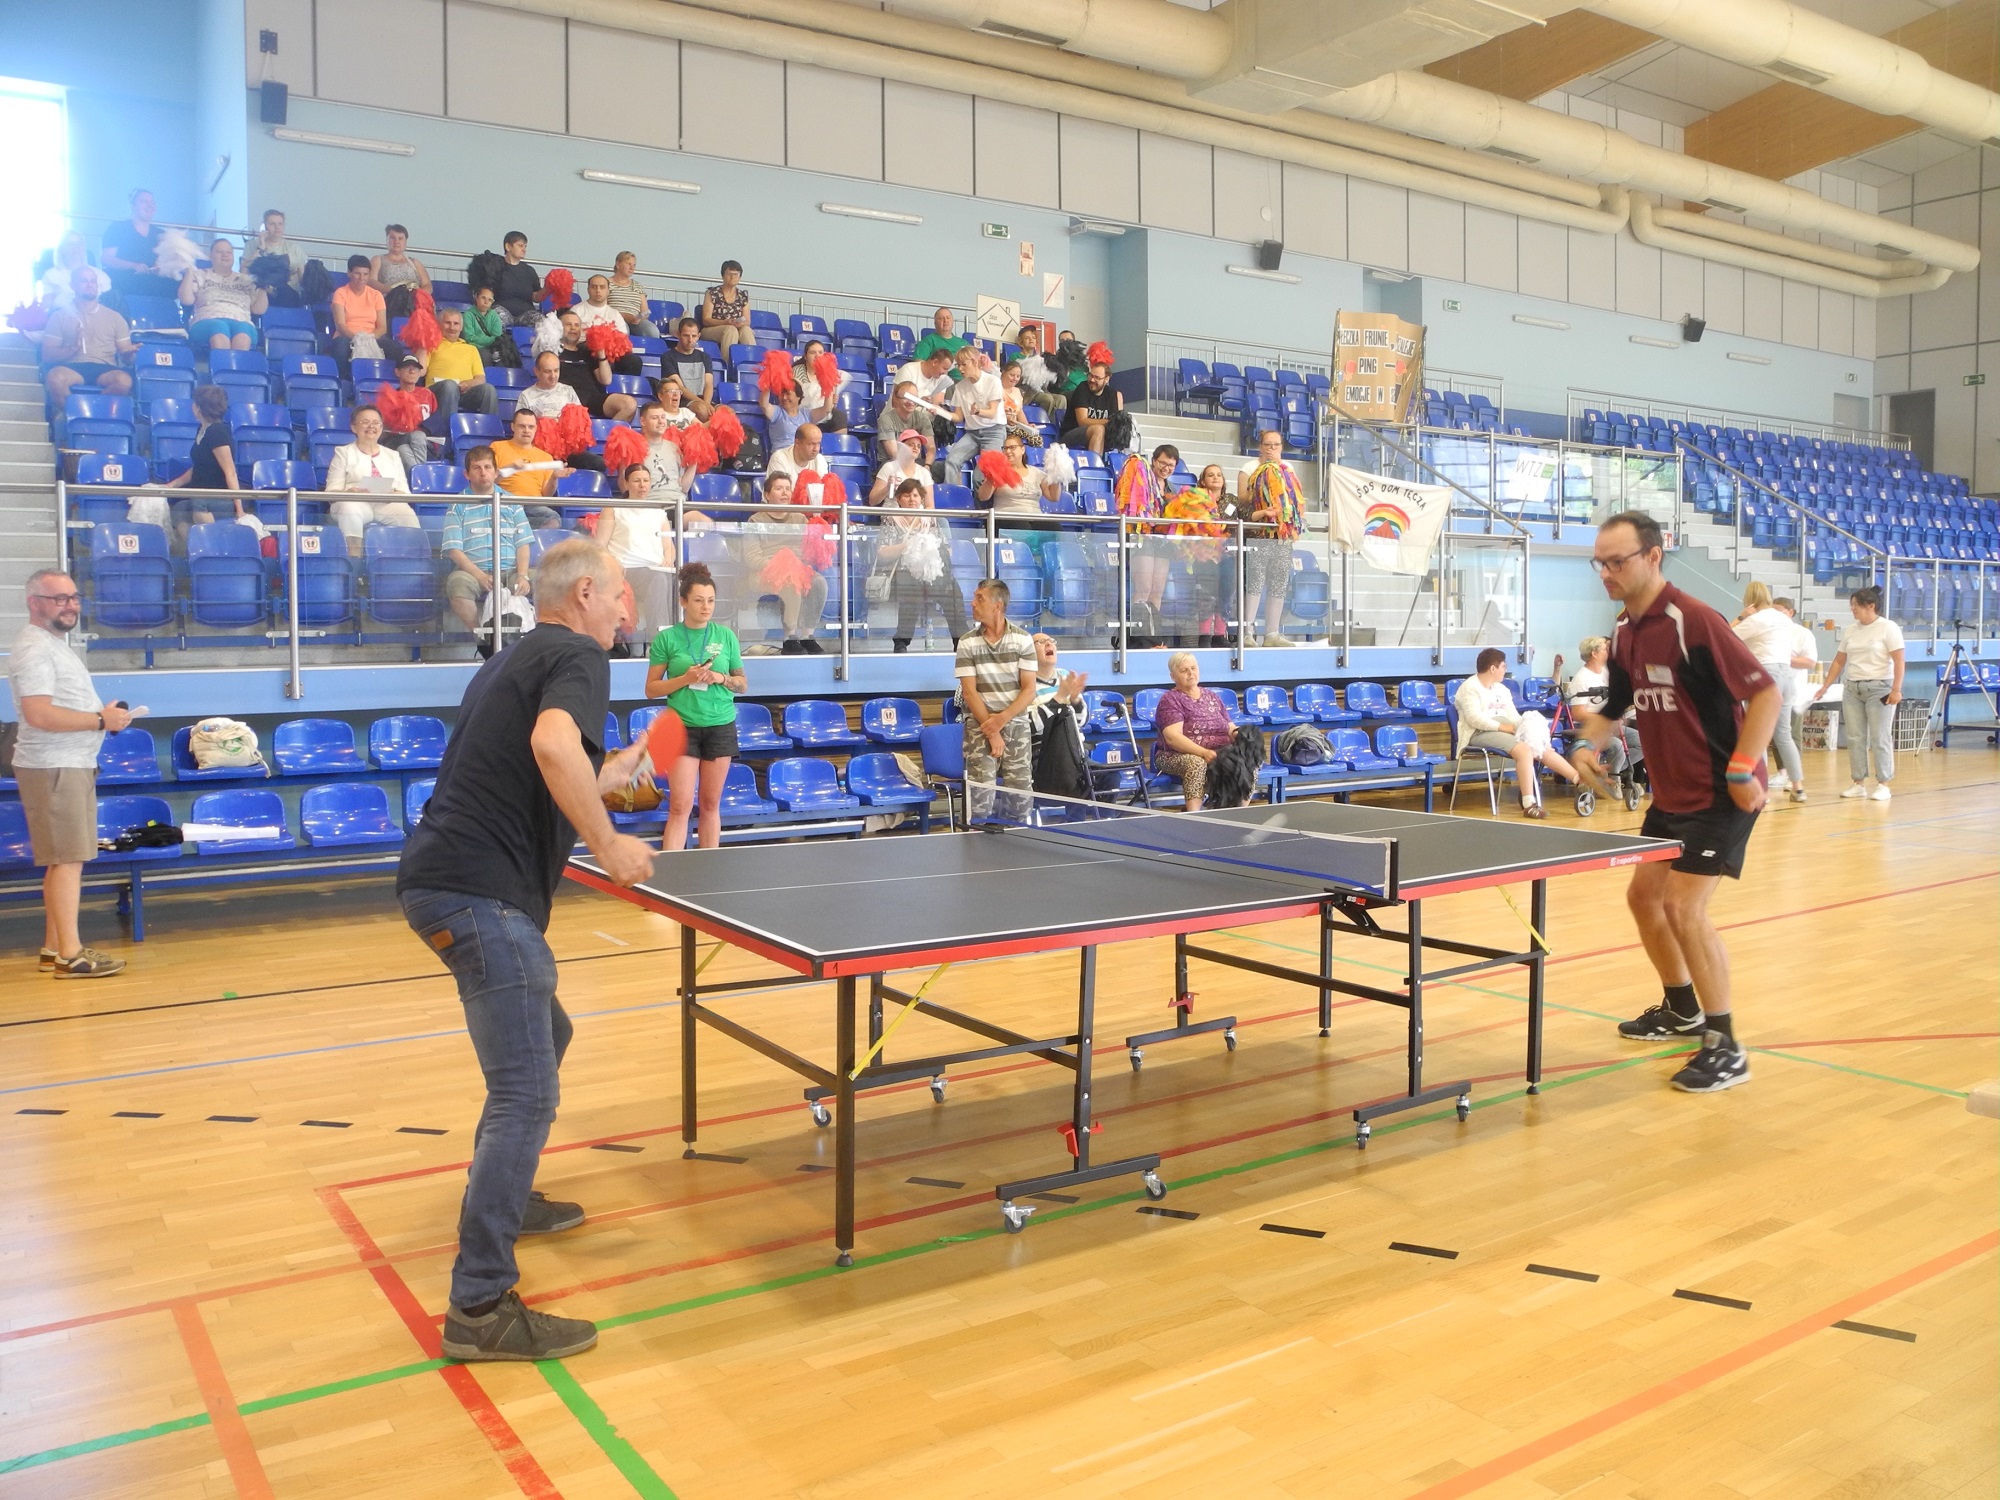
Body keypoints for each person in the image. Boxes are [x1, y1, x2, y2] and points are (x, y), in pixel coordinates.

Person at [398, 537, 656, 1361]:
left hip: (443, 879)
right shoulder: (580, 656)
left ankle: (506, 1194)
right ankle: (479, 1307)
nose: (627, 610)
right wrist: (608, 843)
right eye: (620, 594)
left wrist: (608, 774)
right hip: (480, 893)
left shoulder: (514, 659)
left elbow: (540, 763)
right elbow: (551, 747)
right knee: (526, 1093)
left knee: (549, 1036)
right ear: (584, 595)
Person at [1571, 510, 1781, 1094]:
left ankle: (1726, 1046)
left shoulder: (1695, 621)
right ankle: (1681, 1008)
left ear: (1653, 556)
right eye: (1600, 563)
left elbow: (1766, 694)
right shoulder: (1624, 631)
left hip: (1721, 791)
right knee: (1644, 899)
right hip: (1671, 794)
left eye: (1618, 561)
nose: (1607, 573)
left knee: (1684, 909)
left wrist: (1742, 766)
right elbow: (1615, 703)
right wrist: (1587, 746)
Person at [8, 571, 135, 979]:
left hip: (69, 763)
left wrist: (103, 716)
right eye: (59, 598)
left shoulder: (52, 646)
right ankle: (70, 955)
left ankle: (53, 949)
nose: (70, 606)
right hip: (54, 766)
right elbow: (39, 714)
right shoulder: (35, 650)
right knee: (67, 860)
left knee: (63, 861)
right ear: (34, 603)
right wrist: (100, 720)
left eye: (74, 598)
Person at [645, 561, 747, 850]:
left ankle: (708, 866)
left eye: (711, 601)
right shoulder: (667, 638)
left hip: (720, 724)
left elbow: (742, 684)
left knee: (711, 804)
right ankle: (671, 870)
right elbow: (651, 689)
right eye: (699, 601)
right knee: (680, 806)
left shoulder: (726, 636)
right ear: (683, 602)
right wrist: (685, 679)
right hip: (681, 727)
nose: (706, 607)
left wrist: (720, 678)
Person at [1454, 648, 1581, 818]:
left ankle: (1579, 780)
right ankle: (1529, 804)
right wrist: (1504, 727)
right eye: (1503, 666)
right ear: (1493, 668)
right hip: (1478, 733)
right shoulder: (1470, 687)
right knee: (1524, 750)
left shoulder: (1501, 689)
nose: (1505, 670)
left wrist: (1529, 729)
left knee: (1539, 746)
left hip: (1503, 729)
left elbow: (1514, 717)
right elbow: (1474, 719)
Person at [1814, 584, 1905, 802]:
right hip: (1852, 688)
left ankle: (1883, 783)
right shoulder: (1851, 630)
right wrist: (1826, 685)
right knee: (1855, 737)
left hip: (1879, 688)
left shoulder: (1888, 628)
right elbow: (1839, 660)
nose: (1852, 609)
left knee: (1879, 736)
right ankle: (1858, 782)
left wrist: (1896, 689)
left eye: (1856, 605)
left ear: (1870, 606)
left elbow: (1899, 661)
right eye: (1852, 605)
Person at [956, 578, 1037, 821]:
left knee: (1020, 799)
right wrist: (991, 731)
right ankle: (974, 841)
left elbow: (1029, 690)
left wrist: (1001, 720)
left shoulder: (1023, 639)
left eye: (979, 598)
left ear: (997, 605)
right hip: (979, 725)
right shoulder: (967, 642)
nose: (973, 603)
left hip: (1016, 725)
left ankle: (1016, 840)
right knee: (980, 800)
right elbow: (969, 692)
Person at [443, 448, 534, 643]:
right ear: (467, 474)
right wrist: (480, 576)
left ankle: (533, 640)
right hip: (473, 573)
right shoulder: (457, 504)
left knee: (547, 582)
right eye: (476, 468)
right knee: (456, 585)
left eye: (487, 467)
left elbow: (523, 543)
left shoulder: (512, 502)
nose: (483, 473)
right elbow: (454, 550)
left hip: (511, 571)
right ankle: (483, 639)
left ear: (496, 472)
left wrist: (522, 575)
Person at [1733, 582, 1806, 801]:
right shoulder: (1783, 619)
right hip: (1786, 675)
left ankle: (1762, 788)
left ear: (1750, 599)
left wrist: (1741, 616)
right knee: (1783, 734)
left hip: (1765, 674)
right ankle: (1798, 787)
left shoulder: (1755, 620)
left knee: (1756, 733)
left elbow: (1724, 635)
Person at [875, 476, 965, 652]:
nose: (912, 500)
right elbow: (882, 552)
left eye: (916, 495)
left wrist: (927, 550)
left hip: (932, 574)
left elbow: (947, 550)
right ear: (899, 499)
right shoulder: (890, 519)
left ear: (922, 499)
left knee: (954, 592)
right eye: (907, 495)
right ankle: (901, 643)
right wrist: (909, 546)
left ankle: (960, 642)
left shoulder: (931, 519)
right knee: (912, 589)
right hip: (903, 573)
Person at [1232, 429, 1306, 646]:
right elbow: (1242, 499)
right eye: (1268, 445)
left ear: (1281, 447)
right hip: (1258, 533)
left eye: (1276, 445)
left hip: (1281, 534)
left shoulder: (1287, 468)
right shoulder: (1249, 468)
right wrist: (1263, 481)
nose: (1272, 448)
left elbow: (1294, 497)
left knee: (1278, 583)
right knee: (1254, 583)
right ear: (1260, 447)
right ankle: (1247, 632)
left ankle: (1272, 633)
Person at [741, 472, 827, 654]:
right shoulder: (755, 520)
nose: (785, 493)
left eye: (788, 489)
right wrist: (782, 566)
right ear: (767, 494)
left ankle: (807, 636)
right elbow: (752, 558)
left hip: (797, 569)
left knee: (819, 582)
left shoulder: (800, 519)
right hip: (764, 572)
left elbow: (808, 554)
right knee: (790, 581)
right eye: (779, 488)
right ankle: (790, 638)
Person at [601, 462, 680, 640]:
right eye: (637, 481)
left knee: (673, 579)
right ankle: (660, 640)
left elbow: (668, 546)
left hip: (655, 569)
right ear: (626, 483)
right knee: (660, 579)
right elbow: (600, 546)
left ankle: (676, 637)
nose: (642, 485)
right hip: (626, 570)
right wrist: (612, 566)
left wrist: (669, 558)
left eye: (646, 480)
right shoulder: (613, 508)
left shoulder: (658, 512)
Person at [325, 404, 418, 554]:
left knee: (407, 514)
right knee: (350, 510)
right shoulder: (343, 453)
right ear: (354, 428)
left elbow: (404, 492)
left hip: (386, 502)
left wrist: (391, 493)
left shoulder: (393, 455)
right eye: (365, 422)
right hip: (353, 502)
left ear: (381, 427)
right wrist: (350, 493)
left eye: (376, 423)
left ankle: (411, 559)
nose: (371, 426)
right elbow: (331, 492)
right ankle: (354, 558)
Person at [1152, 652, 1237, 812]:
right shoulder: (1170, 700)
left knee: (1244, 760)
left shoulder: (1212, 697)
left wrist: (1241, 735)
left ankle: (1240, 813)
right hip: (1173, 755)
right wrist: (1203, 752)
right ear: (1173, 676)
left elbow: (1230, 727)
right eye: (1184, 670)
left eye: (1193, 668)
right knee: (1196, 763)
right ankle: (1194, 815)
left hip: (1216, 752)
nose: (1191, 673)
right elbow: (1172, 737)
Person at [36, 267, 135, 403]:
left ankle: (91, 409)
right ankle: (70, 412)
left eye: (93, 281)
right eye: (84, 281)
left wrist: (128, 354)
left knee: (124, 381)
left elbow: (127, 357)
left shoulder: (115, 317)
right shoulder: (59, 316)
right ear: (73, 285)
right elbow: (47, 355)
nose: (89, 285)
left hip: (105, 368)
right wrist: (72, 348)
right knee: (55, 378)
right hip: (71, 367)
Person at [1115, 445, 1178, 648]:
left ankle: (1153, 636)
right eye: (1162, 463)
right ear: (1154, 461)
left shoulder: (1173, 489)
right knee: (1143, 589)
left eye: (1171, 465)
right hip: (1142, 539)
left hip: (1163, 542)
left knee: (1157, 591)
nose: (1166, 468)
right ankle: (1138, 638)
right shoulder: (1141, 478)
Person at [161, 384, 243, 541]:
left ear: (199, 407)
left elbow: (230, 471)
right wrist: (171, 485)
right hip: (201, 495)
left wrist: (239, 509)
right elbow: (199, 467)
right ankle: (195, 548)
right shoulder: (201, 430)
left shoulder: (217, 432)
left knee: (198, 501)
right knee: (179, 509)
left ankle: (211, 544)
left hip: (219, 498)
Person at [1164, 464, 1231, 646]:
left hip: (1227, 555)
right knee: (1207, 593)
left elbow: (1240, 522)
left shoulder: (1232, 501)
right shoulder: (1195, 498)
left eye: (1219, 475)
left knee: (1226, 590)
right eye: (1211, 475)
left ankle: (1220, 635)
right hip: (1202, 555)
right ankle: (1204, 635)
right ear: (1203, 480)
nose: (1215, 478)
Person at [1566, 635, 1641, 793]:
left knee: (1640, 742)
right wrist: (1605, 719)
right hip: (1593, 727)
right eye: (1605, 649)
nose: (1609, 652)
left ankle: (1608, 774)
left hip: (1612, 724)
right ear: (1594, 653)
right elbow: (1578, 713)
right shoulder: (1581, 679)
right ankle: (1612, 781)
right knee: (1617, 746)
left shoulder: (1608, 673)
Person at [175, 237, 266, 351]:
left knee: (243, 329)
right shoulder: (199, 275)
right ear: (210, 255)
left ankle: (236, 363)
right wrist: (189, 272)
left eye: (229, 252)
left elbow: (258, 310)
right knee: (219, 326)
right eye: (219, 252)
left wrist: (264, 285)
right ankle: (222, 362)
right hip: (206, 320)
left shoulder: (246, 280)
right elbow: (186, 300)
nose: (225, 255)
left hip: (242, 321)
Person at [554, 308, 639, 422]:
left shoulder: (588, 352)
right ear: (559, 328)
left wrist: (600, 352)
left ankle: (609, 433)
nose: (573, 328)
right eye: (568, 324)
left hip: (591, 398)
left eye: (577, 325)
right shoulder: (553, 352)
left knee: (629, 404)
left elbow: (606, 380)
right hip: (565, 399)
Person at [423, 306, 500, 425]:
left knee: (488, 390)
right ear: (439, 324)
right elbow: (421, 370)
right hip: (437, 391)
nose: (452, 327)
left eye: (456, 324)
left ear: (461, 327)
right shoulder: (431, 345)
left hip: (464, 392)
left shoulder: (471, 349)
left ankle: (488, 430)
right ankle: (448, 431)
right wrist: (422, 345)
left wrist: (469, 384)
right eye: (448, 323)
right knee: (450, 385)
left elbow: (480, 378)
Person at [99, 188, 174, 304]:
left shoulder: (161, 234)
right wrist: (133, 266)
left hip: (153, 283)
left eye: (152, 202)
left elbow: (167, 261)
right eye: (144, 201)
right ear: (132, 206)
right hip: (124, 281)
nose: (150, 205)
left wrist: (160, 267)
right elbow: (106, 259)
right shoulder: (117, 228)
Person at [1772, 597, 1818, 787]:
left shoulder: (1802, 634)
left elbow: (1810, 661)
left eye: (1779, 611)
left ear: (1790, 612)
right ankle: (1781, 772)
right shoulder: (1771, 631)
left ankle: (1794, 775)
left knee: (1791, 734)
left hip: (1794, 690)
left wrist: (1785, 659)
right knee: (1775, 733)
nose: (1775, 615)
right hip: (1774, 689)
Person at [944, 345, 1005, 472]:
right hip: (972, 434)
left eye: (964, 364)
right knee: (951, 461)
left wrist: (978, 411)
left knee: (982, 474)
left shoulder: (993, 381)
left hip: (994, 432)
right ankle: (952, 486)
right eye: (958, 365)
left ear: (975, 362)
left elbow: (992, 413)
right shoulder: (960, 386)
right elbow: (958, 417)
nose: (960, 369)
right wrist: (939, 411)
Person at [330, 253, 393, 364]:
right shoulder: (340, 293)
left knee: (394, 349)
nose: (362, 278)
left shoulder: (376, 295)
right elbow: (340, 325)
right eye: (357, 273)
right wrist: (357, 339)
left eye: (365, 274)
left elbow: (382, 327)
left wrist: (368, 339)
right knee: (341, 347)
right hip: (347, 337)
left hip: (371, 338)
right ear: (349, 273)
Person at [380, 354, 439, 469]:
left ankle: (417, 477)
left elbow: (437, 422)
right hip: (396, 441)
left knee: (404, 450)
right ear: (397, 372)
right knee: (416, 436)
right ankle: (422, 474)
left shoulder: (427, 394)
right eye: (407, 367)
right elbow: (385, 427)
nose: (412, 371)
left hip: (423, 445)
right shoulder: (390, 398)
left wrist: (421, 430)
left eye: (416, 368)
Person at [1007, 325, 1067, 420]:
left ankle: (1056, 424)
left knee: (1061, 399)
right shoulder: (1016, 356)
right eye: (1027, 338)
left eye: (1033, 338)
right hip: (1026, 391)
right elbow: (1015, 377)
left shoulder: (1040, 359)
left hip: (1041, 390)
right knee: (1047, 399)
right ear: (1021, 343)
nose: (1031, 340)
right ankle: (1043, 422)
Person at [1059, 362, 1120, 453]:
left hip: (1101, 435)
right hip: (1071, 434)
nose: (1092, 380)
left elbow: (1115, 423)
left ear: (1106, 379)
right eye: (1090, 375)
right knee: (1098, 429)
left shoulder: (1111, 394)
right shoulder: (1082, 389)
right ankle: (1094, 462)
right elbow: (1082, 421)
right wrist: (1108, 422)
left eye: (1097, 378)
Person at [484, 232, 542, 324]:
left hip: (526, 313)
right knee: (497, 317)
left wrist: (548, 289)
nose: (524, 249)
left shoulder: (529, 271)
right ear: (508, 247)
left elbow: (536, 297)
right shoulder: (495, 267)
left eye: (525, 246)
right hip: (501, 310)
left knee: (542, 322)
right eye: (520, 245)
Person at [662, 319, 716, 419]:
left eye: (694, 336)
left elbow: (709, 384)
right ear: (678, 334)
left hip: (705, 401)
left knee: (728, 411)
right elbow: (679, 387)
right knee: (701, 410)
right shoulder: (668, 357)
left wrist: (707, 403)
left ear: (699, 336)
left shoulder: (705, 357)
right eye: (686, 335)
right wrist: (704, 404)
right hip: (683, 401)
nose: (690, 340)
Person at [370, 224, 432, 309]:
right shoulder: (378, 259)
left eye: (400, 238)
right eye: (392, 238)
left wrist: (414, 296)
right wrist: (394, 292)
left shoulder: (415, 262)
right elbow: (371, 281)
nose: (396, 241)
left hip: (414, 304)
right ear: (387, 240)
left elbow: (428, 285)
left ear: (405, 242)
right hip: (389, 304)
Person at [876, 385, 936, 468]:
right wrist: (915, 470)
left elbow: (931, 448)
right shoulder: (886, 419)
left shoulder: (923, 418)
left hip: (916, 462)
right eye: (906, 398)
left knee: (941, 467)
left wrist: (927, 466)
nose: (911, 402)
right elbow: (894, 454)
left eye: (914, 398)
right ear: (896, 399)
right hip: (892, 463)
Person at [795, 339, 848, 432]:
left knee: (840, 416)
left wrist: (833, 401)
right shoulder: (797, 372)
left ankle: (838, 441)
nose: (817, 356)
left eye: (820, 352)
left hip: (824, 412)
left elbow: (831, 404)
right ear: (805, 356)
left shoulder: (830, 371)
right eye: (812, 353)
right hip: (804, 412)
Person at [870, 431, 933, 506]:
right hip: (893, 511)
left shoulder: (924, 472)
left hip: (917, 512)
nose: (915, 448)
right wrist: (887, 488)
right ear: (901, 447)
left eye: (918, 446)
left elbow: (930, 506)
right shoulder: (889, 467)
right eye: (911, 445)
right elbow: (872, 501)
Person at [605, 252, 658, 338]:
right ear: (618, 264)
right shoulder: (606, 283)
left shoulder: (637, 285)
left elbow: (645, 311)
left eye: (634, 265)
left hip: (636, 322)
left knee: (652, 331)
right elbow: (603, 307)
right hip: (615, 319)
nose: (632, 268)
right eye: (628, 264)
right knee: (623, 330)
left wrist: (639, 318)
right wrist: (623, 315)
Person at [249, 208, 305, 290]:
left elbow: (302, 276)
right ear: (264, 226)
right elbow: (245, 270)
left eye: (280, 224)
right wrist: (261, 248)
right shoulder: (251, 245)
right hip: (260, 289)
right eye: (272, 224)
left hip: (290, 291)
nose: (277, 227)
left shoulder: (294, 248)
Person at [700, 260, 752, 348]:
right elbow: (706, 320)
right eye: (729, 274)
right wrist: (726, 322)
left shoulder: (743, 295)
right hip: (713, 329)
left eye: (736, 274)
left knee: (746, 330)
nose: (732, 277)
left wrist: (740, 324)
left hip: (736, 327)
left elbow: (747, 321)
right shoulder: (712, 293)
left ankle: (751, 356)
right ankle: (727, 357)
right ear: (723, 275)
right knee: (731, 330)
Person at [766, 424, 832, 487]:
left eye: (818, 443)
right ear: (797, 443)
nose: (816, 449)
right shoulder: (779, 459)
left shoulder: (819, 459)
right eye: (811, 444)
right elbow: (780, 493)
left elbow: (824, 490)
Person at [760, 379, 809, 455]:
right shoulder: (777, 412)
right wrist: (768, 381)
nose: (784, 397)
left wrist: (827, 387)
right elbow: (764, 405)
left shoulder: (806, 414)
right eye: (781, 394)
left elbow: (826, 410)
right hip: (781, 456)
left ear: (798, 396)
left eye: (788, 394)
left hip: (801, 455)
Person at [463, 285, 507, 363]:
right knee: (485, 355)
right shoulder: (468, 315)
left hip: (492, 348)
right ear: (476, 297)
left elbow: (497, 337)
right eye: (483, 298)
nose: (486, 302)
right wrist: (490, 340)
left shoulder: (494, 315)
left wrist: (481, 340)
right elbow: (469, 337)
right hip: (475, 347)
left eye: (490, 300)